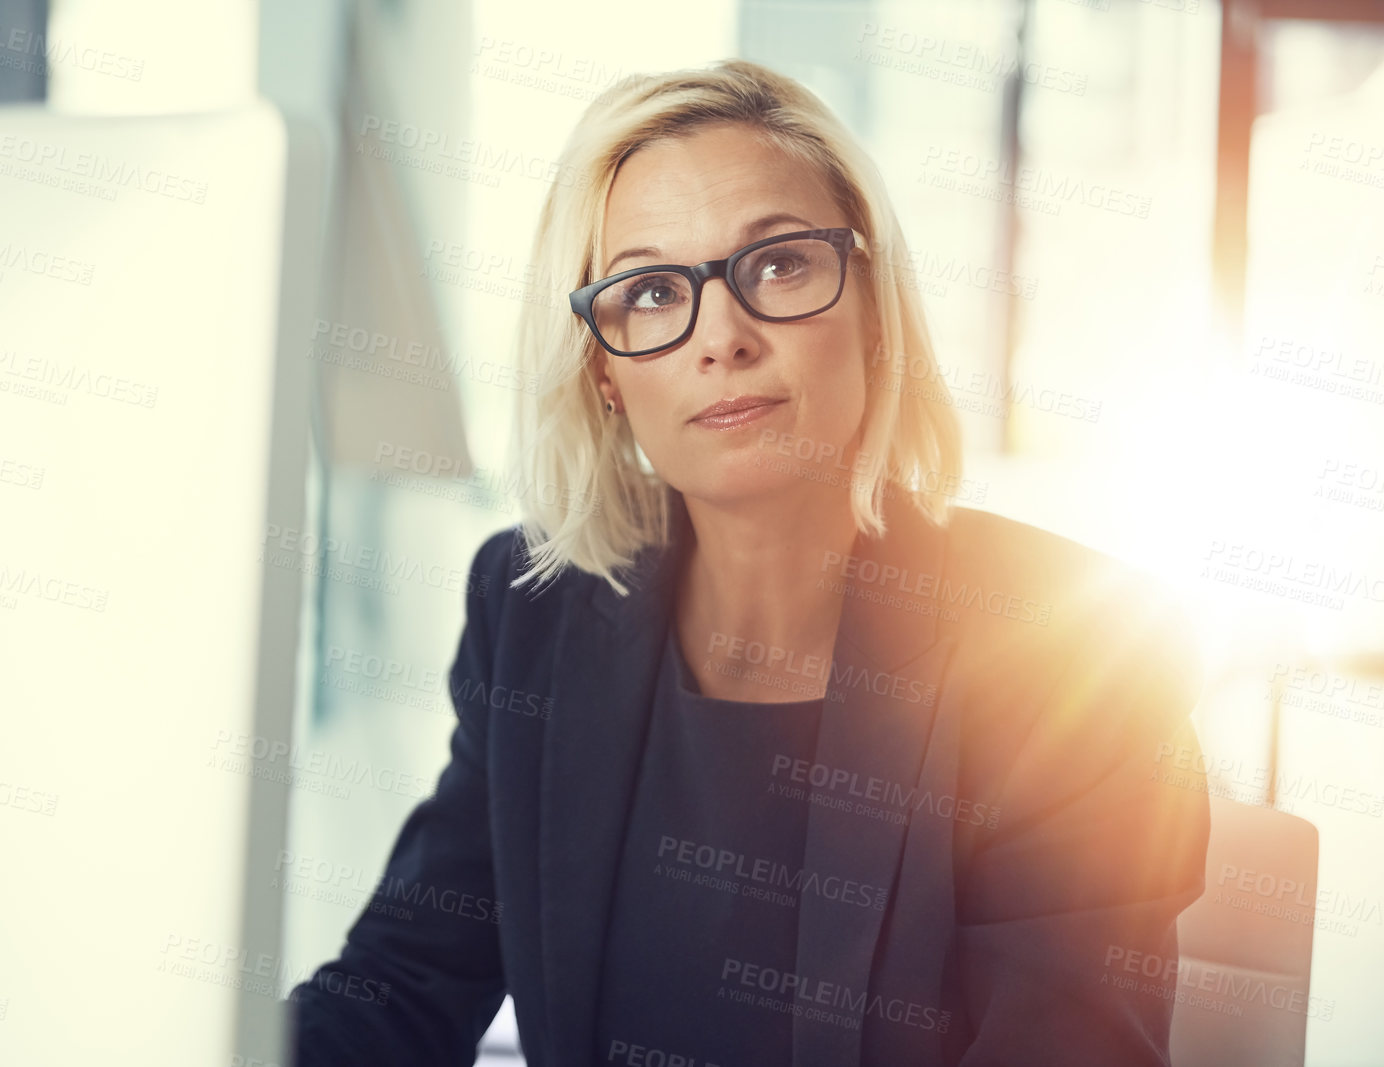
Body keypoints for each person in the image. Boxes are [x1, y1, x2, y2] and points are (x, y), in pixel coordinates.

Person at [287, 58, 1210, 1067]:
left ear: (872, 303)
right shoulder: (535, 615)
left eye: (777, 265)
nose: (721, 336)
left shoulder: (1077, 648)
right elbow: (403, 980)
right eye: (648, 290)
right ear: (602, 368)